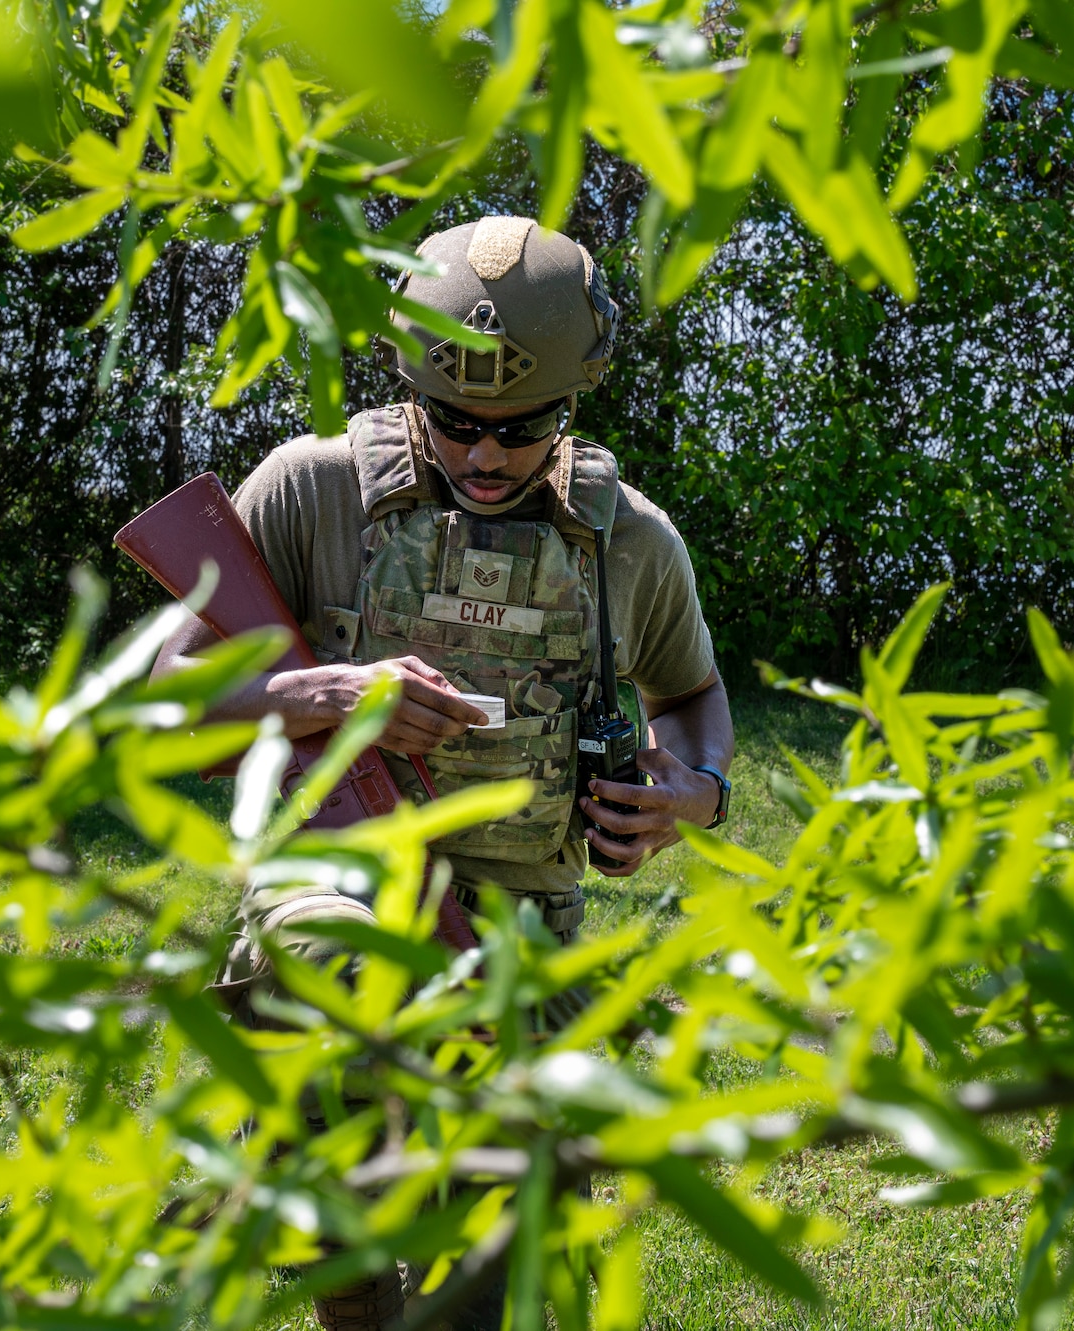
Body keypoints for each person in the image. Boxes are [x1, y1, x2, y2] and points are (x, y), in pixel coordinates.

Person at [151, 217, 735, 1329]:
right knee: (324, 981)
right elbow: (170, 695)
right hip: (340, 873)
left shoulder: (628, 541)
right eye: (454, 422)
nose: (482, 455)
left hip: (521, 920)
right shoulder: (310, 490)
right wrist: (322, 692)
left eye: (520, 431)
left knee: (495, 1260)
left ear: (572, 406)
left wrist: (694, 792)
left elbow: (692, 693)